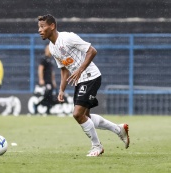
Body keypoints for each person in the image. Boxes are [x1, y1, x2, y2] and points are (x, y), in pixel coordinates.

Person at [37, 14, 130, 156]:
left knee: (77, 114)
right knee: (86, 117)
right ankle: (119, 129)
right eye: (39, 27)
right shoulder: (52, 47)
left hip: (90, 76)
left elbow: (92, 51)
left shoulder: (68, 37)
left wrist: (80, 70)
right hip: (80, 80)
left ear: (52, 26)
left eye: (42, 26)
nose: (39, 30)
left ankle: (97, 146)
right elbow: (64, 69)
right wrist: (61, 89)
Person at [34, 44, 57, 114]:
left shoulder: (51, 60)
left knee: (50, 96)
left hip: (50, 81)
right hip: (46, 81)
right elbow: (40, 69)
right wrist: (41, 79)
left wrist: (53, 81)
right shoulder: (44, 59)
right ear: (46, 50)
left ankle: (48, 110)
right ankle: (37, 105)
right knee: (47, 95)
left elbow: (52, 72)